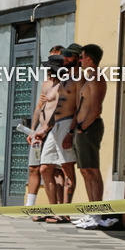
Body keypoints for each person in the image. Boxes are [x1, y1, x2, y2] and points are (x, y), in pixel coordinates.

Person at [34, 43, 83, 223]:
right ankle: (53, 208)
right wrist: (44, 130)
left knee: (67, 168)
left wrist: (72, 131)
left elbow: (80, 106)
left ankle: (65, 212)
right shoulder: (59, 83)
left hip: (68, 124)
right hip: (55, 127)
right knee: (45, 168)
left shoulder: (78, 79)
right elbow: (55, 110)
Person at [71, 43, 116, 230]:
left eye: (81, 57)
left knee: (93, 170)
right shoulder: (87, 78)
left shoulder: (97, 78)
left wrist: (82, 127)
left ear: (89, 58)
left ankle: (97, 214)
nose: (79, 60)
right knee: (85, 171)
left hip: (89, 129)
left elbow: (96, 109)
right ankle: (91, 211)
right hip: (81, 130)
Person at [27, 45, 62, 217]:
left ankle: (58, 209)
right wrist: (32, 130)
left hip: (53, 131)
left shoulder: (64, 83)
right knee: (34, 167)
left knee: (54, 170)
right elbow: (38, 108)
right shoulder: (45, 84)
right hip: (40, 131)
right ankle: (29, 205)